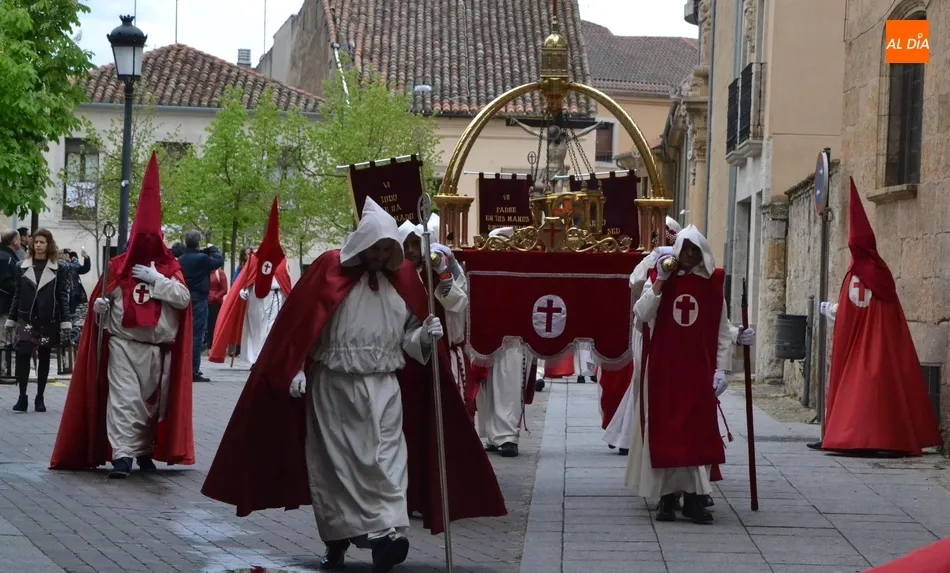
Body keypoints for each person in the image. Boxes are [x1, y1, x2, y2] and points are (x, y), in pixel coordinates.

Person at [201, 198, 506, 573]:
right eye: (375, 248)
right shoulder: (329, 269)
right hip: (335, 387)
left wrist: (426, 336)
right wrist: (296, 369)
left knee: (389, 462)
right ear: (362, 243)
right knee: (340, 469)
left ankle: (388, 534)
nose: (380, 256)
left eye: (386, 249)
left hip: (384, 386)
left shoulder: (403, 279)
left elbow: (409, 339)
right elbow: (301, 326)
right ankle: (342, 540)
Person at [50, 152, 195, 478]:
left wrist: (157, 281)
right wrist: (99, 311)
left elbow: (183, 300)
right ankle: (122, 455)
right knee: (123, 399)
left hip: (156, 349)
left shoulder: (170, 269)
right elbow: (102, 310)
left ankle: (142, 451)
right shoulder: (117, 268)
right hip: (123, 345)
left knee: (148, 405)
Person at [807, 178, 941, 455]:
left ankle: (851, 437)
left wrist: (829, 309)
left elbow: (851, 310)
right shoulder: (881, 271)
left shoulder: (856, 274)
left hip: (858, 345)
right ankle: (887, 438)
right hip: (884, 345)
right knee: (883, 393)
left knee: (858, 393)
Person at [625, 225, 735, 525]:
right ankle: (667, 497)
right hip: (664, 369)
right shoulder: (661, 278)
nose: (688, 255)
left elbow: (723, 331)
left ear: (701, 253)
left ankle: (695, 499)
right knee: (666, 431)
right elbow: (641, 315)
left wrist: (722, 369)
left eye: (693, 250)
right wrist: (660, 281)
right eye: (684, 249)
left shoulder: (713, 284)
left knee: (696, 434)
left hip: (698, 370)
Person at [603, 216, 682, 454]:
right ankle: (629, 436)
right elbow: (635, 282)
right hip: (646, 327)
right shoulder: (651, 259)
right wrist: (653, 259)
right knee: (640, 380)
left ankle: (629, 434)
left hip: (672, 330)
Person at [398, 215, 473, 413]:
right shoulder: (397, 280)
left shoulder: (435, 272)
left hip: (447, 356)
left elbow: (457, 303)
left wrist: (446, 270)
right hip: (415, 360)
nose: (411, 250)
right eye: (405, 245)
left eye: (415, 244)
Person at [472, 226, 533, 458]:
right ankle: (491, 435)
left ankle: (508, 437)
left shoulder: (523, 269)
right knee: (487, 389)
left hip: (514, 339)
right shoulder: (486, 270)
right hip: (489, 336)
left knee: (509, 385)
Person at [210, 198, 291, 366]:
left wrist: (285, 297)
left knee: (270, 329)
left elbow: (285, 281)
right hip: (255, 298)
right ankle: (255, 358)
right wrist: (244, 290)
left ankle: (263, 358)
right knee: (255, 329)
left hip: (275, 298)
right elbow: (246, 279)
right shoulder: (254, 259)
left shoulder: (282, 260)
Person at [3, 229, 70, 412]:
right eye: (36, 242)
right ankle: (22, 396)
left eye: (42, 242)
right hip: (27, 318)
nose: (38, 245)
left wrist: (65, 321)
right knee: (23, 353)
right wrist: (11, 319)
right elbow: (17, 294)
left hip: (49, 320)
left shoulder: (59, 267)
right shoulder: (21, 266)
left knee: (44, 356)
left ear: (49, 245)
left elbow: (62, 295)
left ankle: (40, 397)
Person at [177, 231, 223, 382]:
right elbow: (218, 261)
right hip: (199, 299)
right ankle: (193, 370)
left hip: (185, 297)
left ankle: (184, 368)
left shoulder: (182, 258)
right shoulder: (202, 258)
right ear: (198, 242)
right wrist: (212, 248)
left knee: (185, 334)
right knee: (197, 336)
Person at [61, 247, 91, 346]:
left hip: (75, 295)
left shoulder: (73, 266)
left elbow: (84, 269)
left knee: (75, 317)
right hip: (65, 296)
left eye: (68, 254)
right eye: (65, 254)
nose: (67, 256)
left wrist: (86, 259)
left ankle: (74, 338)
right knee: (68, 317)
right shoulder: (63, 265)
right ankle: (69, 337)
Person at [205, 265, 228, 351]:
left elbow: (224, 289)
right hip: (205, 301)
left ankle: (211, 346)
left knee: (213, 325)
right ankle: (205, 344)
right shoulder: (205, 272)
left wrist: (215, 297)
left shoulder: (219, 273)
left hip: (215, 304)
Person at [0, 229, 20, 326]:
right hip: (4, 307)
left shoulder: (7, 256)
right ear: (15, 241)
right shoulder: (7, 259)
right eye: (19, 239)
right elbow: (8, 283)